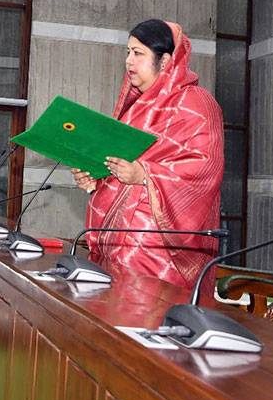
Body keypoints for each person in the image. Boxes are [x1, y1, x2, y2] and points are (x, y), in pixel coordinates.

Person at [71, 19, 224, 296]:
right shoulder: (134, 110)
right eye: (128, 52)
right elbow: (121, 169)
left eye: (138, 53)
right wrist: (95, 179)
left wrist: (145, 175)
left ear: (165, 60)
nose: (129, 61)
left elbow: (204, 171)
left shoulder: (197, 103)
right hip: (115, 247)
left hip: (161, 252)